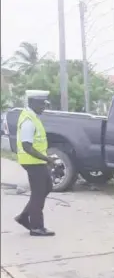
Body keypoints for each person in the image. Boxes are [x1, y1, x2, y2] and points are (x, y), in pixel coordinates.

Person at [14, 90, 57, 236]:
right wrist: (47, 159)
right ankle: (36, 227)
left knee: (46, 188)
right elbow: (27, 146)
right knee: (39, 193)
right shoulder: (28, 121)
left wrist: (45, 158)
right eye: (41, 104)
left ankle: (24, 217)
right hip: (32, 162)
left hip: (37, 161)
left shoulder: (33, 117)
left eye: (44, 103)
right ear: (32, 103)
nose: (43, 107)